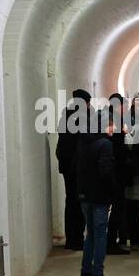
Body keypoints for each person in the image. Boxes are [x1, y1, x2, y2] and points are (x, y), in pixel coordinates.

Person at [76, 110, 116, 276]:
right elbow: (105, 172)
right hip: (100, 196)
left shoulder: (83, 143)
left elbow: (76, 168)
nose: (112, 127)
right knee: (100, 236)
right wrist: (112, 192)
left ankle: (85, 275)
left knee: (90, 235)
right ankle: (98, 275)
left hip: (85, 195)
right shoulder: (105, 144)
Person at [54, 89, 92, 250]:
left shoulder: (66, 116)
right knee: (81, 203)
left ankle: (71, 239)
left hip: (67, 166)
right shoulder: (83, 118)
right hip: (79, 168)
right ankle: (77, 239)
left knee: (70, 202)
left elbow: (62, 145)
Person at [104, 94, 131, 254]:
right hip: (116, 171)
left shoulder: (102, 119)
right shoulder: (115, 121)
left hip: (107, 170)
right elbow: (120, 148)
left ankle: (108, 240)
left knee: (108, 207)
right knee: (117, 207)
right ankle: (111, 242)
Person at [123, 92, 139, 247]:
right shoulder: (130, 119)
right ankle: (134, 236)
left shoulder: (137, 117)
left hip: (135, 166)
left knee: (135, 204)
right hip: (133, 167)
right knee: (133, 204)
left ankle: (135, 235)